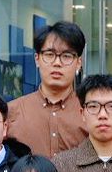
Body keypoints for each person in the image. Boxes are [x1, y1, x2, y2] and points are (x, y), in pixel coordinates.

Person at [6, 22, 88, 159]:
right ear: (37, 59)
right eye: (49, 54)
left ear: (78, 63)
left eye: (66, 56)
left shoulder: (90, 111)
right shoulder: (12, 111)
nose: (57, 63)